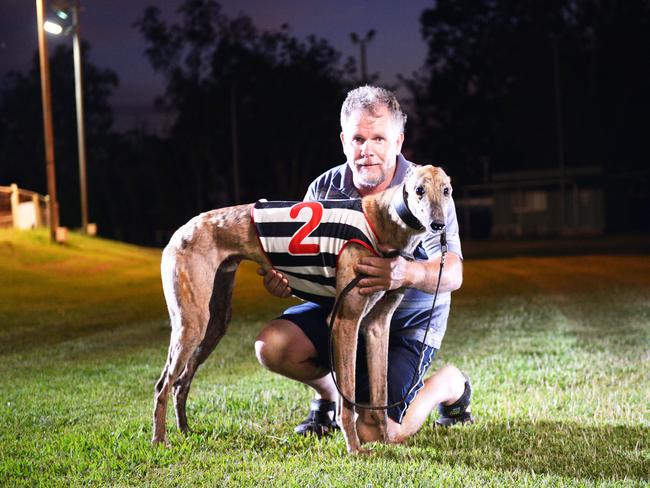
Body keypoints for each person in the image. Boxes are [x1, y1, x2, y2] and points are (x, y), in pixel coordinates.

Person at [254, 85, 473, 444]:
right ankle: (330, 396)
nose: (366, 150)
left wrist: (405, 272)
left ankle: (449, 384)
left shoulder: (425, 186)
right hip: (342, 315)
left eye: (378, 139)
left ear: (398, 141)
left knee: (377, 434)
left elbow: (453, 273)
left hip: (404, 326)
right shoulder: (324, 189)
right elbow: (306, 266)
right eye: (357, 138)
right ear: (343, 140)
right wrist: (284, 280)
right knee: (272, 346)